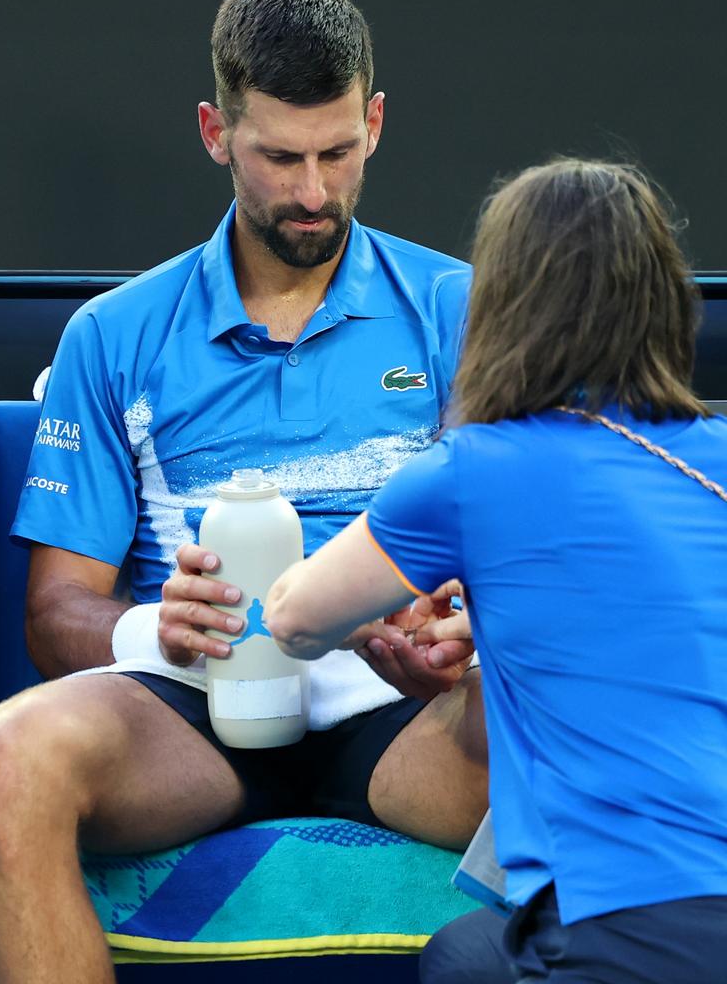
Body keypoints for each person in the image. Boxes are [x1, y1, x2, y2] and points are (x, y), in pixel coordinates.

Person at [0, 0, 500, 984]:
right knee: (7, 756)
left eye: (338, 154)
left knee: (612, 737)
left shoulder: (459, 305)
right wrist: (153, 629)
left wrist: (458, 619)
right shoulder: (113, 334)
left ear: (375, 123)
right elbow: (54, 616)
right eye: (279, 156)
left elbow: (511, 544)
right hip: (190, 710)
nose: (312, 193)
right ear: (217, 132)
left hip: (399, 709)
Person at [265, 159, 727, 983]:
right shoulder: (716, 464)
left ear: (504, 306)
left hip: (626, 928)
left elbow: (296, 620)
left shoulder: (472, 470)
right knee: (466, 955)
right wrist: (495, 615)